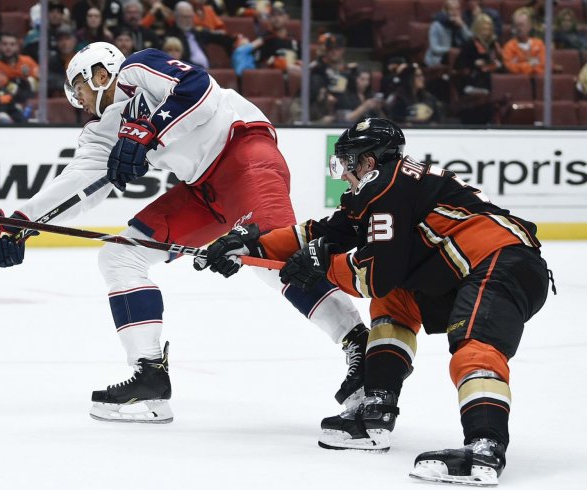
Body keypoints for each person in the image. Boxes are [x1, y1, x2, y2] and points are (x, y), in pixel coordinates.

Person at [0, 42, 369, 423]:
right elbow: (78, 183)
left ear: (99, 73)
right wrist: (18, 222)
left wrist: (147, 133)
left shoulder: (137, 70)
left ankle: (361, 349)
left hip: (246, 154)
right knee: (120, 256)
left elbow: (198, 89)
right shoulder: (101, 132)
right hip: (203, 192)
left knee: (270, 257)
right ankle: (150, 375)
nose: (77, 98)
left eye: (78, 86)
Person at [203, 117, 551, 485]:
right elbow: (324, 232)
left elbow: (374, 275)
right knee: (393, 304)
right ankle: (377, 410)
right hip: (464, 267)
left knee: (475, 349)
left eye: (347, 162)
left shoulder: (388, 187)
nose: (343, 173)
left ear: (368, 162)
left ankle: (485, 449)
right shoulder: (389, 186)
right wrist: (252, 244)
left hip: (500, 262)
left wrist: (324, 267)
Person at [454, 13, 503, 124]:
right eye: (483, 29)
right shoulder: (469, 45)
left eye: (488, 29)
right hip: (473, 83)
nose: (486, 32)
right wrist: (474, 64)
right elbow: (460, 66)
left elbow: (501, 62)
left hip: (491, 81)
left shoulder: (494, 45)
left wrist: (496, 64)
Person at [424, 0, 472, 67]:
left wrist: (462, 26)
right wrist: (450, 50)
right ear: (445, 11)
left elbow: (471, 40)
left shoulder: (461, 24)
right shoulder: (436, 26)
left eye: (457, 9)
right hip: (439, 58)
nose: (455, 13)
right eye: (452, 9)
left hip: (458, 58)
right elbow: (434, 48)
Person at [502, 8, 545, 75]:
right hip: (517, 83)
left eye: (521, 25)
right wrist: (531, 65)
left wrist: (520, 64)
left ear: (529, 26)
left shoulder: (539, 44)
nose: (519, 28)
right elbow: (511, 68)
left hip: (538, 81)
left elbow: (544, 66)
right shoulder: (508, 47)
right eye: (516, 25)